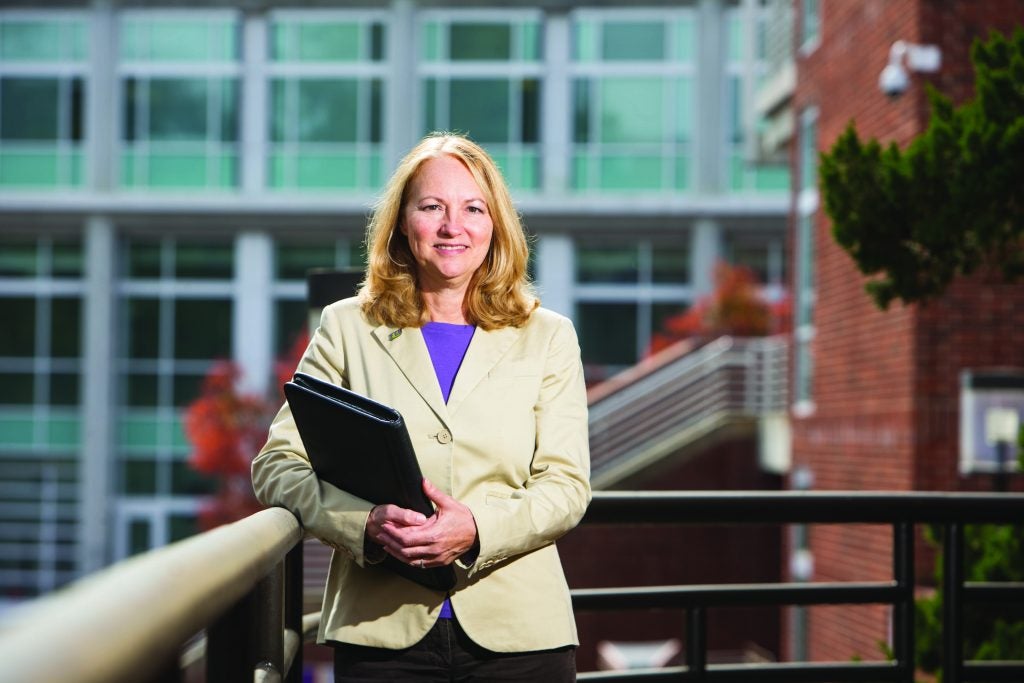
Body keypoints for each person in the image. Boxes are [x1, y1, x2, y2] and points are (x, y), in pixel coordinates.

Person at [251, 132, 591, 681]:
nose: (452, 226)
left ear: (495, 224)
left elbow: (566, 486)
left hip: (521, 635)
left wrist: (477, 527)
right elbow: (275, 466)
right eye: (432, 207)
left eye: (472, 209)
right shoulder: (347, 326)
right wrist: (364, 524)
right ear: (404, 224)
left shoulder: (548, 335)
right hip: (380, 634)